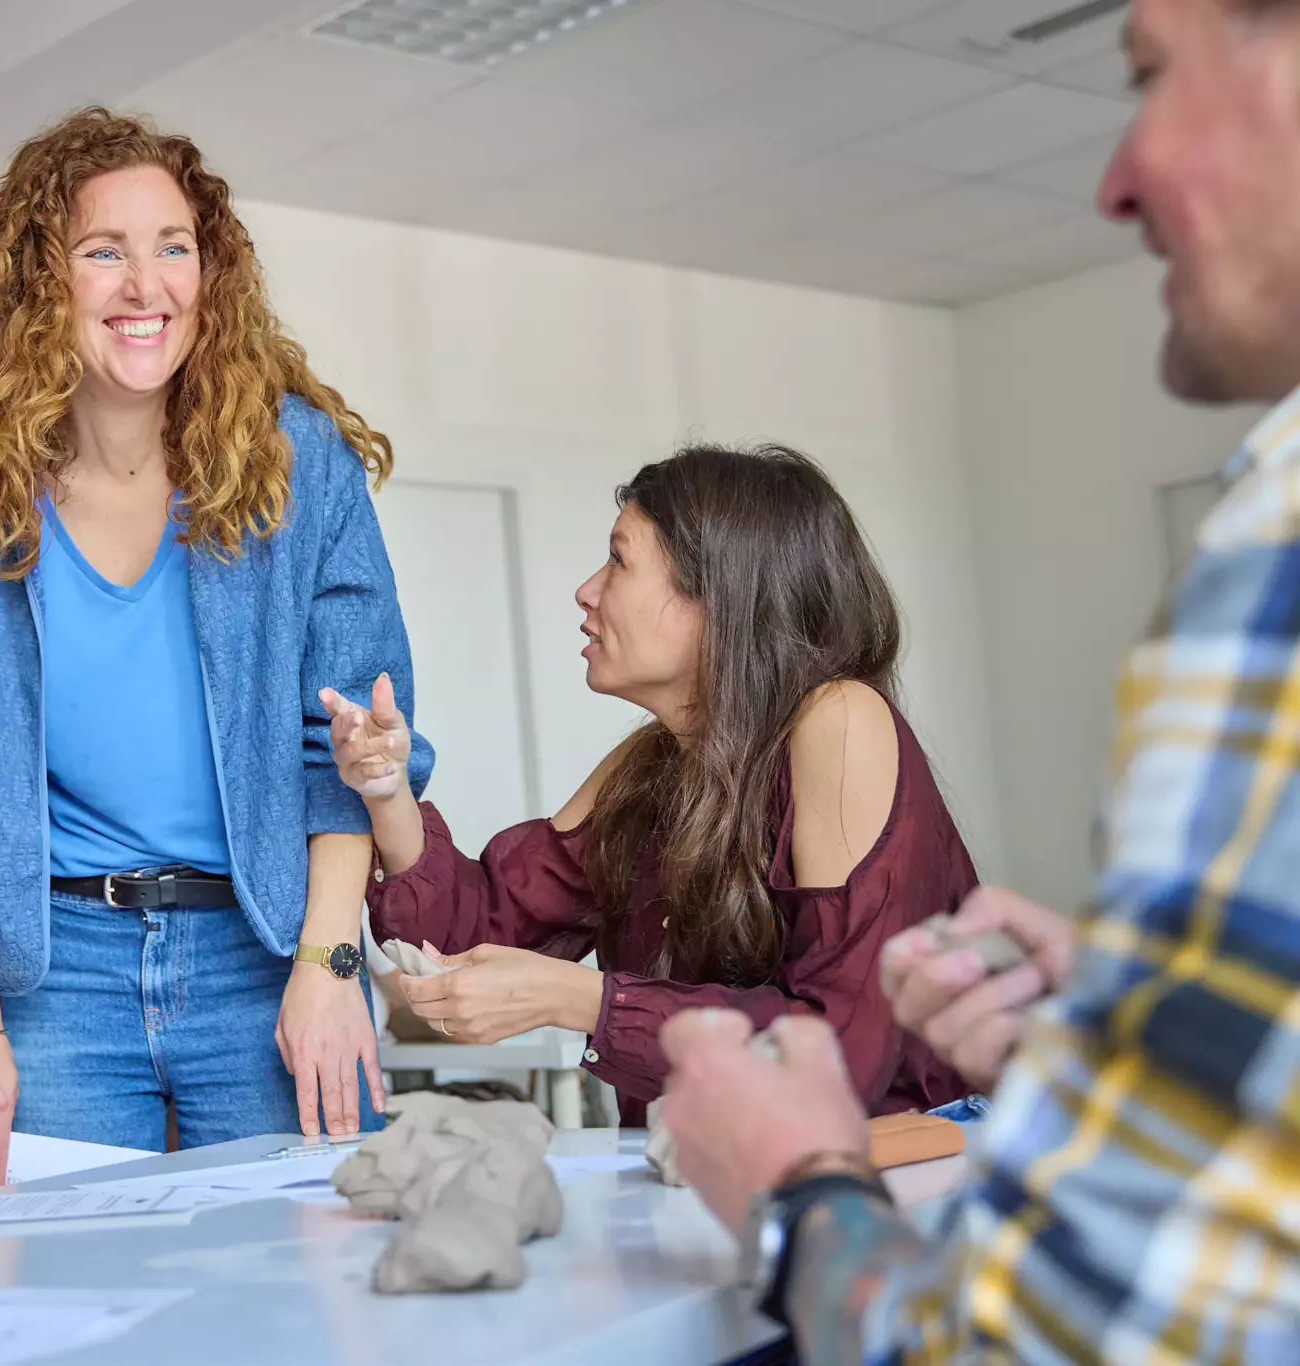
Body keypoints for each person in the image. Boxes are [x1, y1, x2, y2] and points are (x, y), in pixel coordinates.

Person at [657, 1, 1300, 1359]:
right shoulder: (649, 770)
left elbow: (1049, 1341)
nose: (1116, 177)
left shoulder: (1272, 556)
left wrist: (796, 1197)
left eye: (1151, 76)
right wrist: (1139, 1028)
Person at [0, 107, 430, 1180]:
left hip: (268, 951)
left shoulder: (299, 463)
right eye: (102, 252)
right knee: (64, 1275)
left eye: (172, 247)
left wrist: (329, 964)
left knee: (312, 1261)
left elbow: (343, 748)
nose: (145, 285)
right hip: (54, 973)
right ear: (37, 281)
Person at [327, 443, 972, 1123]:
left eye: (619, 560)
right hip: (721, 1160)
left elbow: (841, 1051)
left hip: (892, 1164)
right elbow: (471, 936)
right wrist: (387, 792)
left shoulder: (839, 719)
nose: (586, 590)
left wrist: (580, 999)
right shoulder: (649, 763)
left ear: (718, 594)